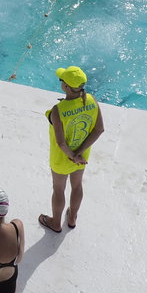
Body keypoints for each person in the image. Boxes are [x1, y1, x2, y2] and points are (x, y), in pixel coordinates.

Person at [38, 66, 104, 233]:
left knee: (58, 190)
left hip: (62, 159)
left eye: (62, 80)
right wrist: (79, 154)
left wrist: (73, 156)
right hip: (83, 156)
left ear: (66, 87)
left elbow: (61, 143)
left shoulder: (58, 110)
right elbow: (99, 129)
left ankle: (55, 222)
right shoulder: (91, 100)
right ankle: (73, 218)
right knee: (77, 186)